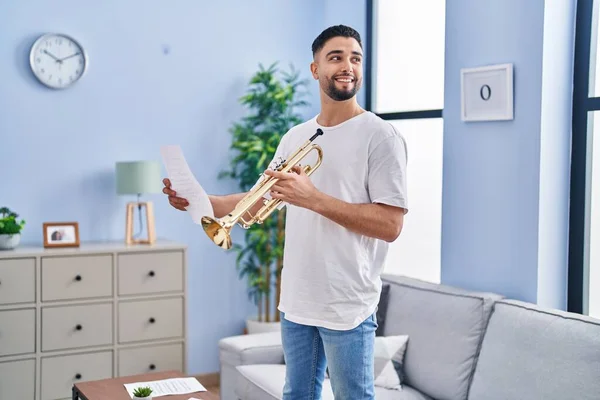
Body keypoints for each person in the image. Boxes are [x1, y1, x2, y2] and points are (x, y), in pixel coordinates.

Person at [163, 24, 408, 400]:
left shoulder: (381, 136)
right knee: (297, 395)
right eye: (336, 57)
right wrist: (198, 200)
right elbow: (258, 199)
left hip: (347, 303)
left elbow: (391, 225)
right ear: (315, 69)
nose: (348, 66)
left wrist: (313, 198)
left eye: (355, 58)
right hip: (297, 298)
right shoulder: (295, 136)